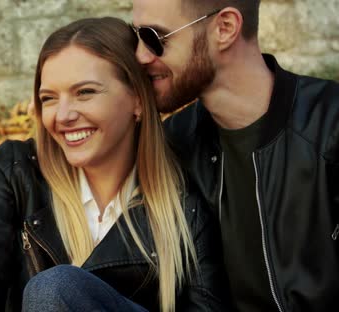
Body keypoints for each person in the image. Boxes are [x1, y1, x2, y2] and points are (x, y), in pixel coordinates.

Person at [0, 17, 229, 312]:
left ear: (138, 101)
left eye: (85, 92)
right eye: (49, 98)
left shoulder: (182, 202)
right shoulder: (14, 172)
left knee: (55, 289)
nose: (63, 115)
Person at [131, 0, 339, 311]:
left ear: (225, 28)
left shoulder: (329, 125)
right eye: (133, 37)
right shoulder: (174, 143)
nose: (140, 55)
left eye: (154, 38)